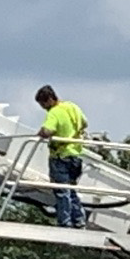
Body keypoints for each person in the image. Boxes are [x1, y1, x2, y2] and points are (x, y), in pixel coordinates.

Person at [36, 84, 88, 228]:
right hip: (76, 155)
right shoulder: (72, 107)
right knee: (71, 189)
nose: (44, 108)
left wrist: (41, 132)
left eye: (43, 104)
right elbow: (84, 123)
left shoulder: (54, 112)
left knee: (61, 191)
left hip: (60, 157)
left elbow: (47, 131)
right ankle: (79, 219)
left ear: (49, 100)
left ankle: (64, 222)